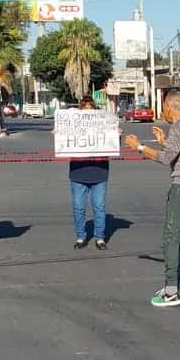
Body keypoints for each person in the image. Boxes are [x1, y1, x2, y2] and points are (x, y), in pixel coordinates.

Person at [124, 88, 180, 307]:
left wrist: (139, 147)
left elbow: (166, 159)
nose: (163, 112)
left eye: (163, 107)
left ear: (170, 106)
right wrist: (163, 141)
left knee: (170, 236)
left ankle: (171, 291)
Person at [68, 97, 111, 249]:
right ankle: (81, 236)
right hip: (78, 172)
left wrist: (115, 134)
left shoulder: (104, 126)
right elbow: (64, 144)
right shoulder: (71, 127)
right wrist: (58, 135)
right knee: (78, 207)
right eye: (84, 111)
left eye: (90, 111)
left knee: (99, 206)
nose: (87, 115)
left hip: (99, 171)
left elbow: (112, 145)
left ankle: (100, 238)